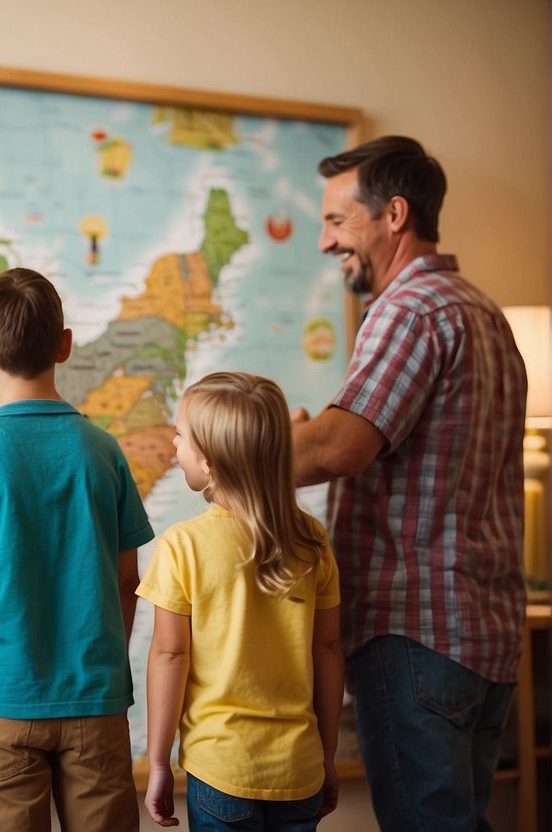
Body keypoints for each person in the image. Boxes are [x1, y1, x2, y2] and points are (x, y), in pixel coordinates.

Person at [291, 135, 528, 831]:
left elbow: (339, 448)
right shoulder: (482, 313)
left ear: (393, 214)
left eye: (337, 221)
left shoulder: (407, 310)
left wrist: (238, 450)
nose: (323, 241)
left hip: (413, 634)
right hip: (480, 640)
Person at [0, 267, 155, 831]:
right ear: (65, 346)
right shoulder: (104, 452)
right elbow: (126, 583)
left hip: (0, 700)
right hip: (95, 699)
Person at [138, 371, 343, 831]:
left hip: (220, 770)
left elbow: (170, 655)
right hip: (300, 768)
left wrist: (157, 765)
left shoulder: (182, 546)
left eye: (181, 436)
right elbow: (327, 650)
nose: (174, 444)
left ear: (209, 461)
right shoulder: (313, 540)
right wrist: (328, 755)